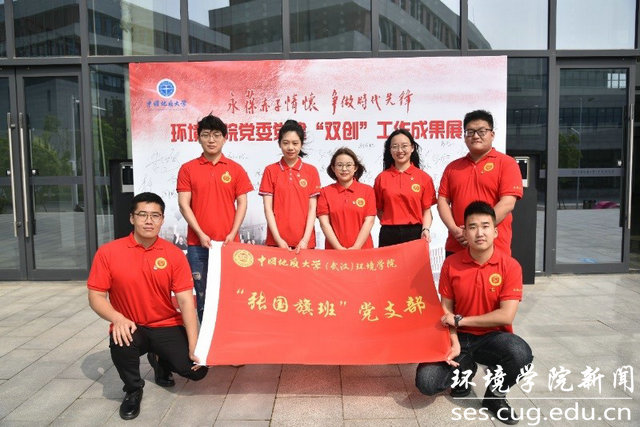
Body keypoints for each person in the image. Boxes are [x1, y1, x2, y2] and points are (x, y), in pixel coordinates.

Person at [87, 192, 207, 421]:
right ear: (132, 218)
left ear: (162, 220)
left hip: (166, 324)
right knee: (121, 341)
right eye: (142, 215)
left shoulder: (173, 254)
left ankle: (161, 361)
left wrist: (194, 345)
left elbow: (185, 302)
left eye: (155, 215)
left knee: (197, 371)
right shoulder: (109, 252)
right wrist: (117, 318)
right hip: (131, 325)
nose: (149, 221)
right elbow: (96, 297)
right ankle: (133, 390)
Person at [415, 201, 533, 425]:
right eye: (473, 227)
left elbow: (506, 316)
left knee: (520, 354)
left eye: (485, 226)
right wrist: (453, 341)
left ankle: (494, 397)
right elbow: (446, 309)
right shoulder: (452, 263)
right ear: (464, 232)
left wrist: (461, 321)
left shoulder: (510, 266)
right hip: (458, 336)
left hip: (492, 338)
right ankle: (465, 369)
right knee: (427, 383)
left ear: (495, 231)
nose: (480, 233)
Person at [177, 114, 253, 322]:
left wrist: (233, 233)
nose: (211, 140)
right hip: (198, 245)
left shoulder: (235, 169)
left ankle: (228, 338)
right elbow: (184, 204)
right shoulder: (188, 169)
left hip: (229, 244)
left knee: (230, 294)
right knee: (203, 296)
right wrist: (201, 234)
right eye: (206, 135)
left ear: (225, 138)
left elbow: (242, 203)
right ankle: (206, 339)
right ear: (198, 138)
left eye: (216, 135)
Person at [438, 110, 523, 256]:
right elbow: (442, 201)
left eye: (482, 131)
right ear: (465, 137)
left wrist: (478, 231)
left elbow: (508, 203)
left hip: (494, 248)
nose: (476, 136)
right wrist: (455, 230)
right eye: (470, 132)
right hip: (458, 245)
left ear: (492, 134)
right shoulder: (452, 167)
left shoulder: (507, 163)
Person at [259, 119, 321, 252]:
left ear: (301, 144)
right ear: (279, 144)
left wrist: (305, 241)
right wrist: (278, 240)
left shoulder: (311, 171)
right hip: (276, 242)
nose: (290, 148)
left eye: (295, 143)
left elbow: (312, 209)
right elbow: (268, 209)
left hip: (305, 243)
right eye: (286, 143)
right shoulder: (270, 170)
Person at [373, 128, 436, 247]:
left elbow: (426, 211)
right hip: (389, 234)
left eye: (404, 146)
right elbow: (379, 210)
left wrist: (425, 229)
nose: (400, 150)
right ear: (390, 150)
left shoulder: (424, 178)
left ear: (412, 148)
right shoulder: (381, 178)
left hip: (415, 233)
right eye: (395, 146)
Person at [317, 147, 376, 250]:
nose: (344, 169)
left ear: (355, 167)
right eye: (339, 165)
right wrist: (338, 248)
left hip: (363, 250)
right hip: (334, 251)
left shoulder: (367, 191)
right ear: (333, 168)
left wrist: (356, 247)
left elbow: (369, 221)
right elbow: (324, 223)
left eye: (348, 165)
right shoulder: (325, 192)